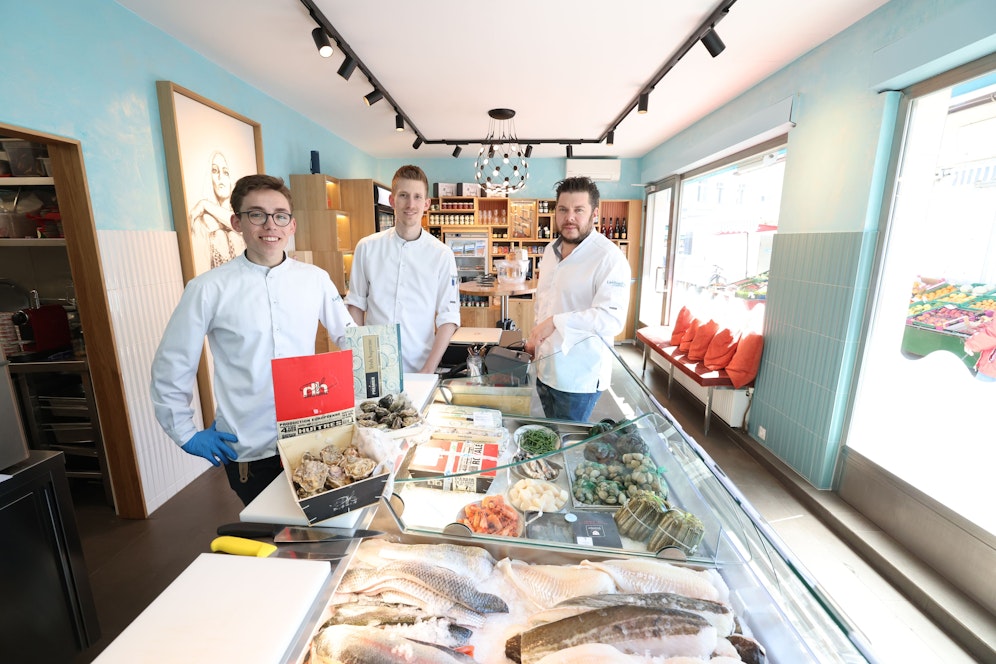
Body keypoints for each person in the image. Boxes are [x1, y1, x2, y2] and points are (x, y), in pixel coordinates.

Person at [151, 174, 355, 505]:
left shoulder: (315, 280)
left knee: (321, 530)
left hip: (312, 435)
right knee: (275, 534)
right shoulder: (208, 289)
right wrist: (184, 432)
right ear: (237, 222)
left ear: (292, 225)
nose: (270, 225)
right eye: (256, 214)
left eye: (280, 215)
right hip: (249, 446)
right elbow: (173, 363)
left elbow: (350, 338)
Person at [525, 176, 631, 422]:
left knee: (568, 446)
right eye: (563, 209)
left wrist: (555, 322)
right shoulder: (550, 251)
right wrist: (535, 336)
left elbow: (612, 319)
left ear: (594, 213)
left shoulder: (609, 258)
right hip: (545, 368)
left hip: (578, 377)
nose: (569, 217)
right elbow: (545, 302)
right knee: (550, 438)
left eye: (578, 210)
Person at [345, 165, 460, 374]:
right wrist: (361, 358)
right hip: (374, 365)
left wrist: (428, 369)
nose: (410, 204)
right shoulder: (367, 247)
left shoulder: (441, 255)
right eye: (403, 195)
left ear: (427, 204)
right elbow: (355, 305)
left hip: (420, 365)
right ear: (392, 200)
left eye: (417, 197)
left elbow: (448, 317)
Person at [188, 150, 245, 273]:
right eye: (215, 171)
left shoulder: (242, 219)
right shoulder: (202, 223)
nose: (220, 177)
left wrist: (205, 204)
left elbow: (238, 224)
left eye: (225, 172)